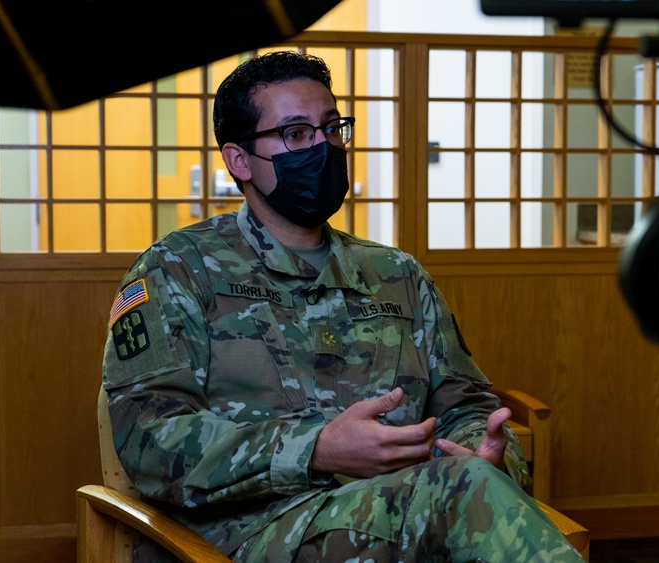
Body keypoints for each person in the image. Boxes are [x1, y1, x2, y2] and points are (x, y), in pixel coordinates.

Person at [101, 50, 584, 562]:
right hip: (249, 535)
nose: (322, 146)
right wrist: (316, 448)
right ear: (239, 159)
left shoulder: (397, 275)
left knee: (470, 487)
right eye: (295, 134)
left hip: (410, 509)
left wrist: (488, 456)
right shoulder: (177, 269)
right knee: (463, 495)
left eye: (332, 128)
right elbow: (150, 440)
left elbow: (465, 406)